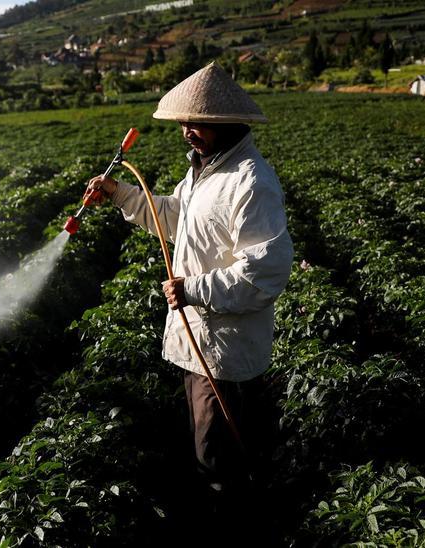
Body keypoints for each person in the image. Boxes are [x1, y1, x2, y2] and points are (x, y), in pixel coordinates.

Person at [86, 63, 293, 506]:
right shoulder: (204, 173)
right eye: (184, 122)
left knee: (217, 455)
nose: (187, 132)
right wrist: (121, 193)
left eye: (196, 123)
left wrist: (195, 290)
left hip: (224, 351)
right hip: (198, 342)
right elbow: (177, 220)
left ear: (226, 122)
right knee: (208, 442)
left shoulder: (250, 182)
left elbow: (265, 272)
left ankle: (229, 517)